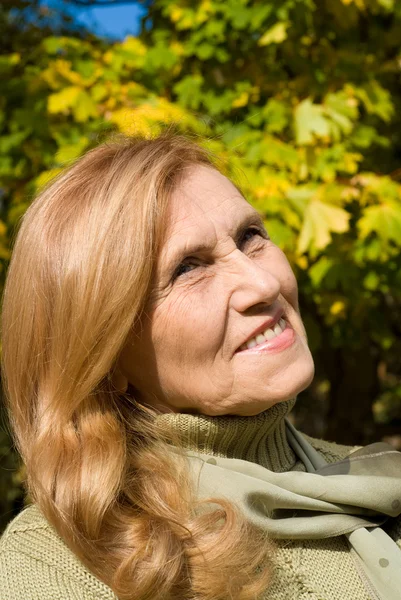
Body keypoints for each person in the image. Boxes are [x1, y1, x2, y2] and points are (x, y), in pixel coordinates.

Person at [0, 132, 400, 600]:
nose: (263, 283)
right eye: (188, 268)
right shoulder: (53, 567)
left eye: (251, 237)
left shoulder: (377, 482)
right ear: (103, 356)